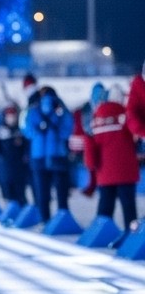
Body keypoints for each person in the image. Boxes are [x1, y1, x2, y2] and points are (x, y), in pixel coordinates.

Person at [84, 86, 138, 236]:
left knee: (105, 207)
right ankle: (131, 236)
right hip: (126, 171)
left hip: (104, 173)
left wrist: (91, 165)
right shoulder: (126, 116)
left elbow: (90, 145)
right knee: (129, 208)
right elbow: (137, 134)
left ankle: (99, 235)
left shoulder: (96, 120)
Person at [23, 86, 72, 223]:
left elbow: (27, 131)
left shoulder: (33, 110)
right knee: (61, 192)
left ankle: (44, 220)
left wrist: (39, 130)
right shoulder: (61, 110)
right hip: (58, 155)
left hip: (38, 156)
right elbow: (67, 130)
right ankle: (63, 219)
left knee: (42, 192)